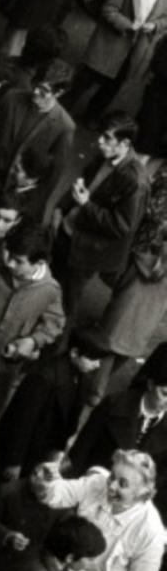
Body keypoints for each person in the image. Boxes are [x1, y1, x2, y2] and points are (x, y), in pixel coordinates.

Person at [0, 223, 64, 422]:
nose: (9, 263)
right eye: (7, 253)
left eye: (18, 261)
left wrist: (33, 341)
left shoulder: (50, 290)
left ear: (39, 262)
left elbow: (55, 323)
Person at [36, 450, 167, 571]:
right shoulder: (98, 483)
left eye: (122, 484)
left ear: (141, 493)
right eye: (112, 476)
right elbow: (62, 493)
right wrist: (46, 485)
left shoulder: (151, 530)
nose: (111, 486)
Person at [52, 112, 147, 317]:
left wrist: (86, 205)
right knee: (50, 286)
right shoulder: (104, 156)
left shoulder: (135, 181)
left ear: (125, 143)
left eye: (107, 138)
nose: (99, 142)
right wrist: (60, 209)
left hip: (85, 249)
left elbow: (122, 226)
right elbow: (81, 184)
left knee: (65, 303)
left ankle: (56, 346)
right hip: (68, 232)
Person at [0, 335, 105, 487]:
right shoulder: (44, 377)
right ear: (74, 353)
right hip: (17, 452)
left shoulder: (81, 376)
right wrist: (14, 462)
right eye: (93, 359)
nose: (97, 365)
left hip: (40, 451)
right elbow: (22, 421)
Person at [93, 158, 167, 402]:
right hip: (159, 273)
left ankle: (94, 384)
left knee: (114, 326)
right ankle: (97, 384)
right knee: (134, 334)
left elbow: (149, 212)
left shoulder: (163, 175)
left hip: (143, 256)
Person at [0, 59, 74, 201]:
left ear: (59, 93)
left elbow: (53, 175)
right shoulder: (12, 98)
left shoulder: (64, 126)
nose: (35, 91)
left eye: (44, 90)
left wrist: (28, 202)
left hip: (16, 193)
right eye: (36, 85)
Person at [69, 359, 167, 503]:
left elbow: (162, 478)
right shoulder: (114, 403)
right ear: (150, 384)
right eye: (164, 393)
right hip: (95, 483)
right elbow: (83, 447)